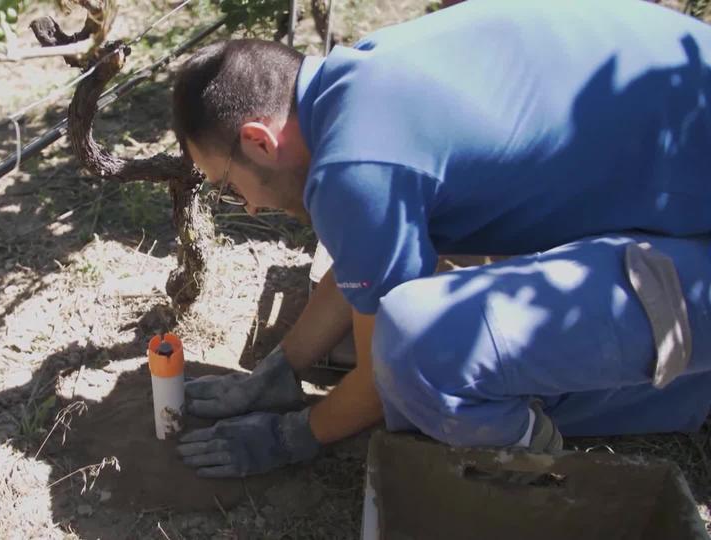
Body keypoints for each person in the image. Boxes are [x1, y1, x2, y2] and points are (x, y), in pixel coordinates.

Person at [170, 0, 711, 478]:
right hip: (679, 156)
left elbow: (385, 374)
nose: (250, 206)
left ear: (259, 142)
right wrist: (281, 368)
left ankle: (548, 457)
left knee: (423, 372)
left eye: (228, 185)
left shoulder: (354, 168)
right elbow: (370, 256)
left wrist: (293, 436)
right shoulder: (364, 78)